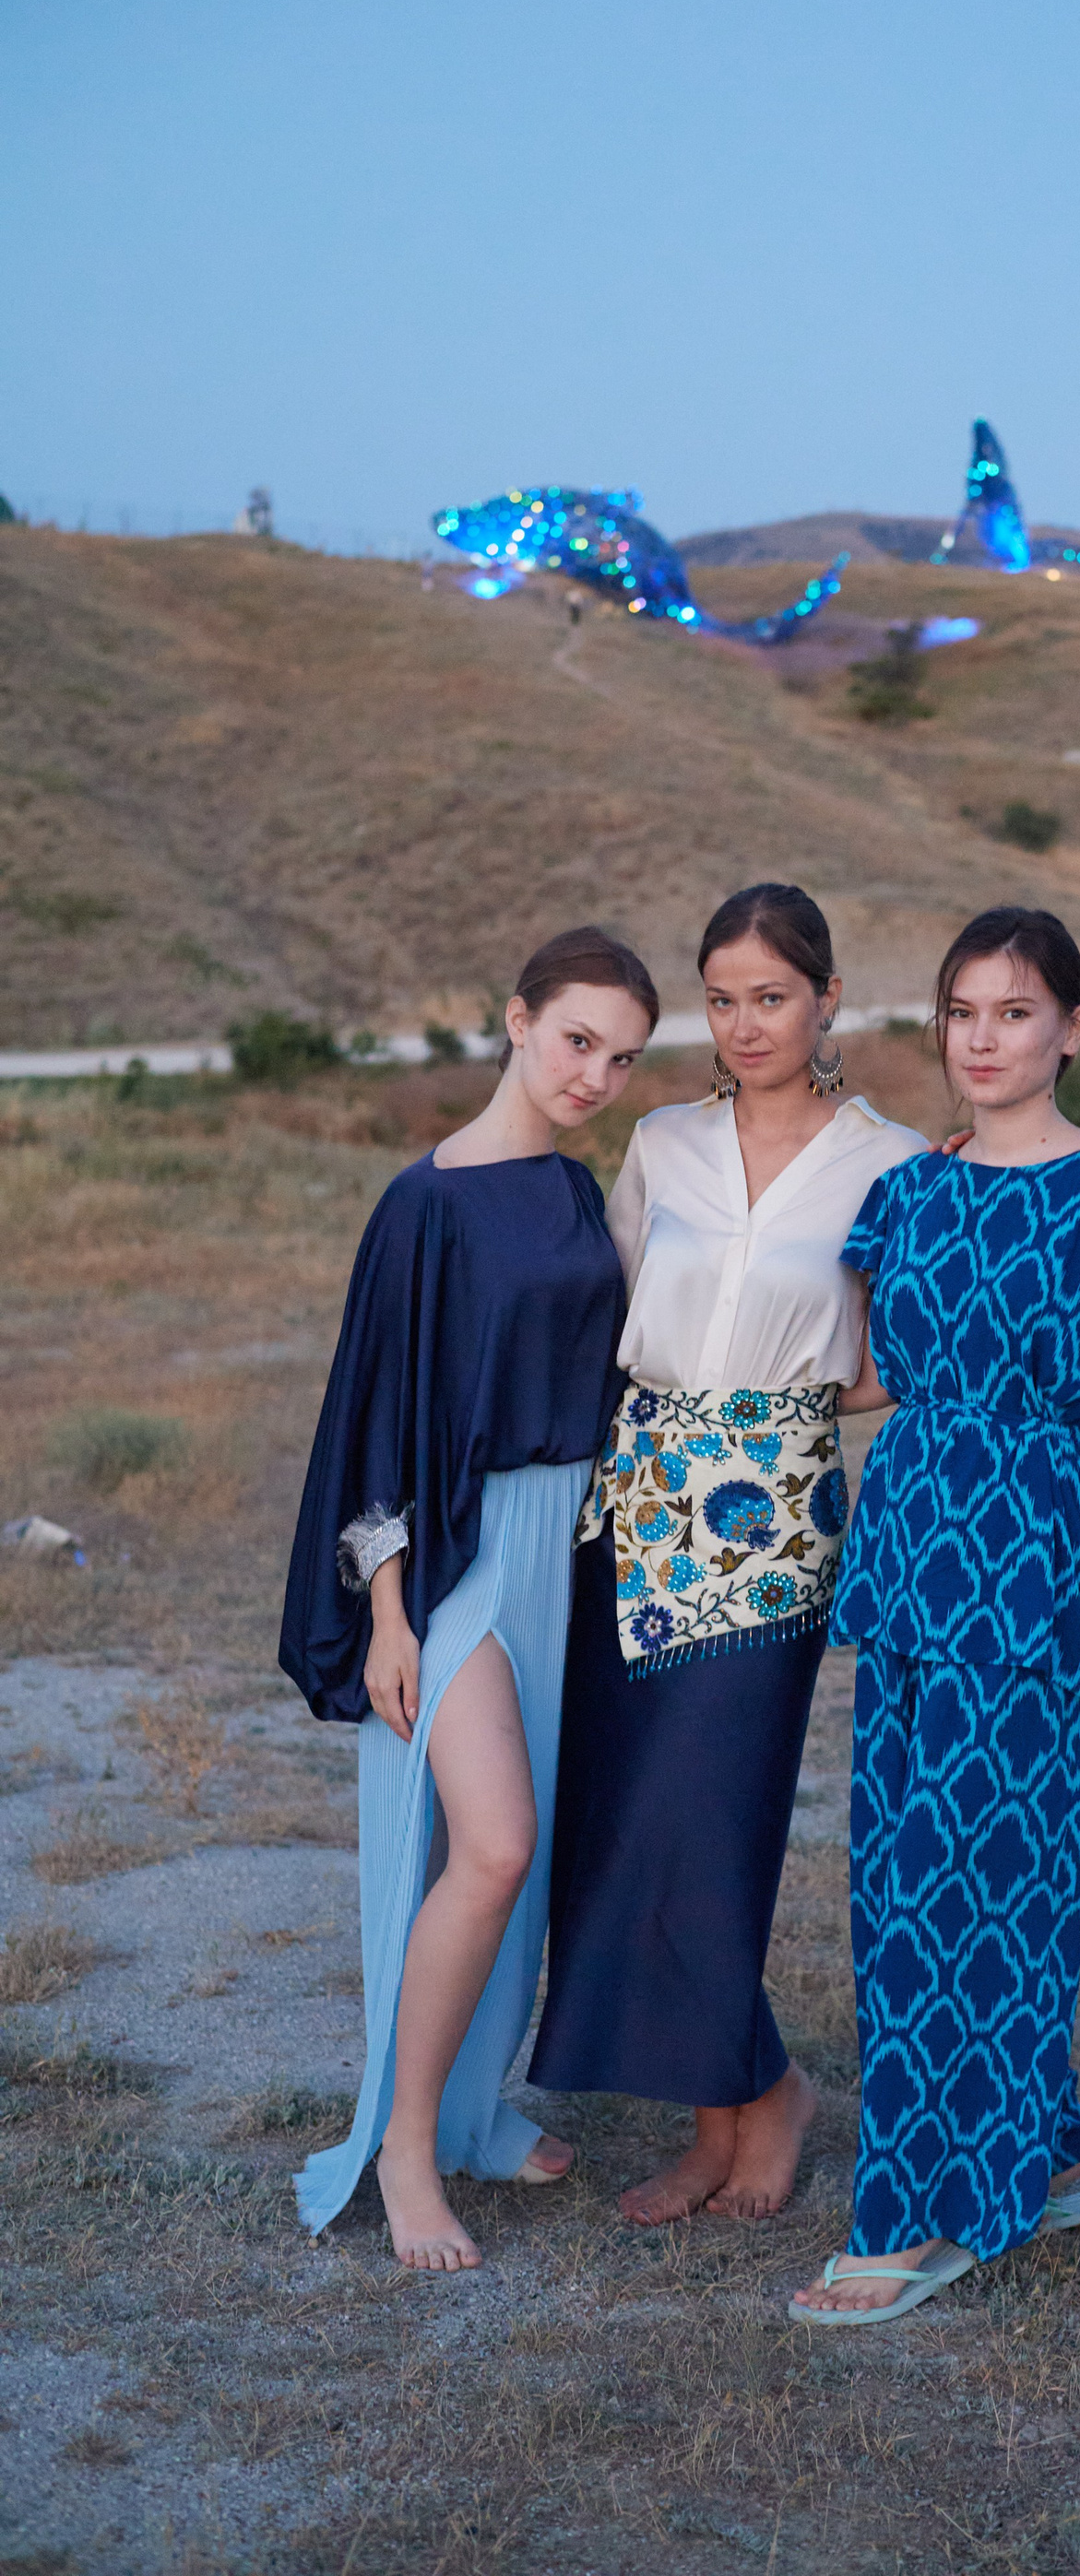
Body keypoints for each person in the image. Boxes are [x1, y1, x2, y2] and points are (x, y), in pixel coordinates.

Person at [529, 884, 925, 2223]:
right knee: (630, 1819)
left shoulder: (892, 1162)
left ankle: (765, 2093)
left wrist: (792, 1405)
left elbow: (909, 1348)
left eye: (772, 996)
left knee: (712, 1822)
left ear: (825, 1000)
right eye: (722, 999)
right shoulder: (663, 1143)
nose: (746, 1024)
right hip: (638, 1515)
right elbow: (604, 1323)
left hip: (775, 1523)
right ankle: (730, 2112)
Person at [790, 906, 1080, 2324]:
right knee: (898, 1878)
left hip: (1034, 1560)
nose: (984, 1040)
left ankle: (925, 2209)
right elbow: (873, 1377)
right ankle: (1043, 2147)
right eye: (963, 1013)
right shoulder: (907, 1193)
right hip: (908, 1553)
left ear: (1074, 1027)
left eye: (1016, 1012)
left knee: (994, 1880)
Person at [279, 926, 656, 2272]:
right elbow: (372, 1422)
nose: (594, 1075)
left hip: (567, 1546)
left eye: (623, 1058)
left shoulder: (576, 1190)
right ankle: (403, 2142)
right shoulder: (424, 1204)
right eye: (577, 1040)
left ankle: (477, 2111)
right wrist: (388, 1614)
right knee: (491, 1844)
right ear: (516, 1019)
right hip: (460, 1556)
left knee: (523, 1857)